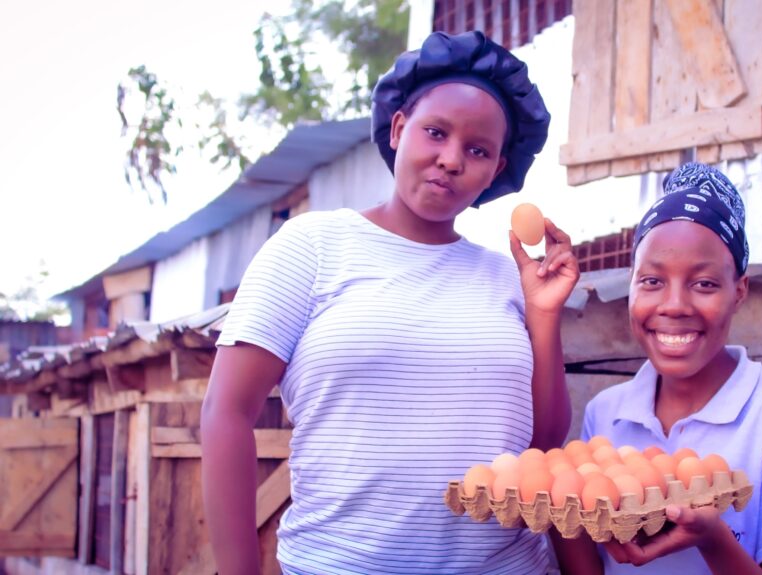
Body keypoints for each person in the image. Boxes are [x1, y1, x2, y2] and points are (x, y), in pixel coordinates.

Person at [200, 30, 579, 575]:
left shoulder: (507, 277)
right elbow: (225, 413)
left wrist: (543, 316)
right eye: (435, 132)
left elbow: (540, 445)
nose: (451, 159)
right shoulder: (312, 246)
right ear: (399, 129)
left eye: (477, 150)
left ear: (496, 170)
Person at [553, 163, 762, 575]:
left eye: (704, 284)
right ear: (631, 285)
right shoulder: (607, 413)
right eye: (652, 281)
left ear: (738, 291)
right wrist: (559, 514)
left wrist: (713, 539)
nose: (674, 305)